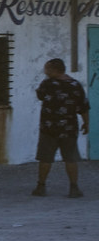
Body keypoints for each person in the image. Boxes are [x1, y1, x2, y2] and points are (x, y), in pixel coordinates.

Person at [33, 58, 89, 198]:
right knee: (70, 158)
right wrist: (86, 123)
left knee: (45, 158)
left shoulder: (47, 84)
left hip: (48, 128)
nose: (45, 71)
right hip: (69, 128)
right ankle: (74, 188)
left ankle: (41, 187)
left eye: (47, 69)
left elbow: (40, 95)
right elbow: (83, 107)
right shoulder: (75, 85)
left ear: (54, 70)